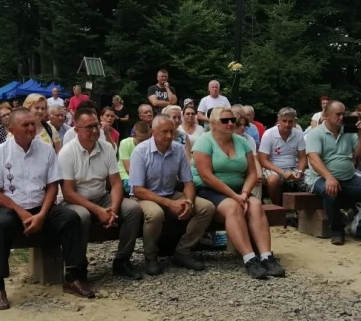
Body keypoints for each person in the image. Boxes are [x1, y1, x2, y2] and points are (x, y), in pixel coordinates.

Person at [0, 108, 94, 310]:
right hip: (12, 208)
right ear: (11, 129)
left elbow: (53, 186)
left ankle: (72, 276)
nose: (31, 128)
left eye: (32, 124)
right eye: (25, 125)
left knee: (71, 218)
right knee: (3, 226)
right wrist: (20, 211)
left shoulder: (46, 149)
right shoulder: (0, 153)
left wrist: (42, 214)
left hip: (41, 205)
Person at [192, 108, 284, 279]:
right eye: (225, 120)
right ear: (212, 124)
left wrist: (244, 192)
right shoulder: (203, 142)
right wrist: (235, 197)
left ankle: (266, 256)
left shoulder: (242, 142)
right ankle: (249, 258)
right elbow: (206, 176)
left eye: (232, 120)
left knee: (256, 205)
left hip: (238, 190)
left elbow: (251, 173)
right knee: (233, 208)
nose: (230, 124)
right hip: (208, 189)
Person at [59, 108, 143, 280]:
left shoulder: (106, 148)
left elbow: (116, 182)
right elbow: (68, 193)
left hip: (100, 196)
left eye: (96, 125)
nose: (95, 130)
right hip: (76, 200)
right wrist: (98, 211)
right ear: (77, 130)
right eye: (89, 127)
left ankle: (122, 260)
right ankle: (79, 266)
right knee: (81, 217)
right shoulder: (67, 152)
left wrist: (113, 208)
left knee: (133, 209)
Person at [129, 115, 215, 276]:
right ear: (153, 132)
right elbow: (138, 189)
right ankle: (151, 257)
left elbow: (188, 182)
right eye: (164, 132)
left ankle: (183, 251)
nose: (169, 136)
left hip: (169, 193)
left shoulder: (178, 149)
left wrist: (188, 201)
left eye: (172, 131)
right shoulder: (140, 152)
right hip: (144, 196)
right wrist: (170, 204)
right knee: (155, 214)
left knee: (206, 207)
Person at [304, 100, 361, 245]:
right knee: (330, 190)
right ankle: (337, 230)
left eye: (343, 114)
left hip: (348, 178)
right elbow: (314, 159)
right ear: (327, 115)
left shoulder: (348, 131)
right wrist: (329, 177)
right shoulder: (316, 133)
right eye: (338, 114)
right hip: (320, 178)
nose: (342, 117)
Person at [258, 108, 308, 206]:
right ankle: (278, 207)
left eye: (290, 121)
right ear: (278, 120)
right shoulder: (269, 134)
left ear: (295, 122)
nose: (287, 124)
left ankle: (302, 210)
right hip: (273, 167)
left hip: (293, 167)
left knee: (310, 180)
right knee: (273, 180)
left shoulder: (298, 134)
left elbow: (302, 157)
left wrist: (300, 171)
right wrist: (282, 172)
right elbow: (263, 160)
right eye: (284, 121)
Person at [117, 121, 151, 193]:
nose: (144, 143)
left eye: (146, 140)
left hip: (144, 177)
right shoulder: (125, 143)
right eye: (141, 140)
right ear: (133, 135)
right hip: (126, 177)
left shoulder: (150, 145)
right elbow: (128, 169)